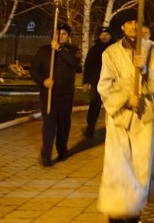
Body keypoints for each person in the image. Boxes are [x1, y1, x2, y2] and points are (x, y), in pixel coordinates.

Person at [96, 9, 154, 223]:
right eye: (129, 22)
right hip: (119, 120)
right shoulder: (111, 53)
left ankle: (133, 216)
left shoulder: (151, 49)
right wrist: (126, 99)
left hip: (143, 121)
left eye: (137, 21)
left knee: (140, 169)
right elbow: (104, 86)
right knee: (118, 169)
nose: (134, 25)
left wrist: (145, 71)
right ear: (123, 26)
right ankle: (116, 220)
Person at [29, 22, 81, 167]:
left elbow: (74, 64)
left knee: (64, 124)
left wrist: (59, 49)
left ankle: (62, 150)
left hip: (66, 95)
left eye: (64, 34)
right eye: (57, 33)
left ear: (68, 37)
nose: (60, 36)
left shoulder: (72, 50)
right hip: (49, 94)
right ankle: (46, 155)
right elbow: (33, 70)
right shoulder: (44, 51)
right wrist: (43, 81)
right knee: (49, 125)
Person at [81, 24, 113, 138]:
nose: (104, 37)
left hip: (112, 82)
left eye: (107, 34)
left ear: (110, 35)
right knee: (95, 105)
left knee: (113, 106)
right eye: (102, 34)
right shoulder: (94, 49)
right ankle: (90, 128)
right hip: (97, 82)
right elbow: (88, 65)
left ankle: (113, 129)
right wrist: (86, 81)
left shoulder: (114, 49)